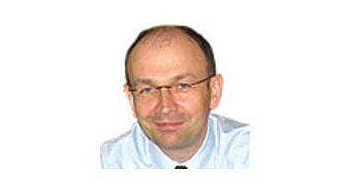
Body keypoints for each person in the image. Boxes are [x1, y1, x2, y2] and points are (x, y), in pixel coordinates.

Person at [100, 25, 250, 169]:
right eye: (148, 90)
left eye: (182, 86)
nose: (165, 107)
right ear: (131, 99)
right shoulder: (107, 162)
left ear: (214, 91)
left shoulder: (248, 152)